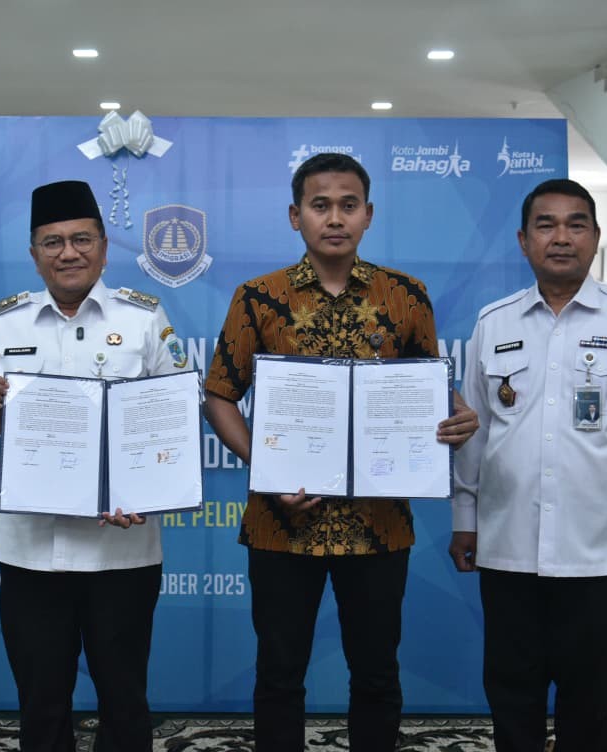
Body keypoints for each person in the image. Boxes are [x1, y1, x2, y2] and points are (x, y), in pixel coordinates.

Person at [203, 152, 478, 751]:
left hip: (379, 524)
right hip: (282, 522)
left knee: (377, 674)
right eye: (320, 205)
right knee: (279, 674)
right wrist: (267, 469)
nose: (335, 219)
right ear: (295, 215)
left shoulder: (406, 295)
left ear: (368, 214)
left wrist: (456, 412)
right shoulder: (258, 298)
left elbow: (426, 388)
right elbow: (219, 396)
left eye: (348, 206)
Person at [450, 178, 607, 751]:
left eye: (575, 224)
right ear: (523, 240)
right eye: (546, 225)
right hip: (509, 545)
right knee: (511, 691)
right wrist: (466, 518)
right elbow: (473, 433)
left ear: (595, 236)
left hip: (602, 549)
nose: (561, 237)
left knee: (585, 698)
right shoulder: (494, 322)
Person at [0, 180, 189, 752]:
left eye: (82, 239)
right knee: (40, 703)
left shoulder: (143, 317)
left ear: (105, 248)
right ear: (34, 253)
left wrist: (146, 493)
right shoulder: (6, 323)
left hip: (122, 551)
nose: (69, 252)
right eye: (53, 241)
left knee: (125, 700)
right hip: (30, 551)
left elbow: (173, 418)